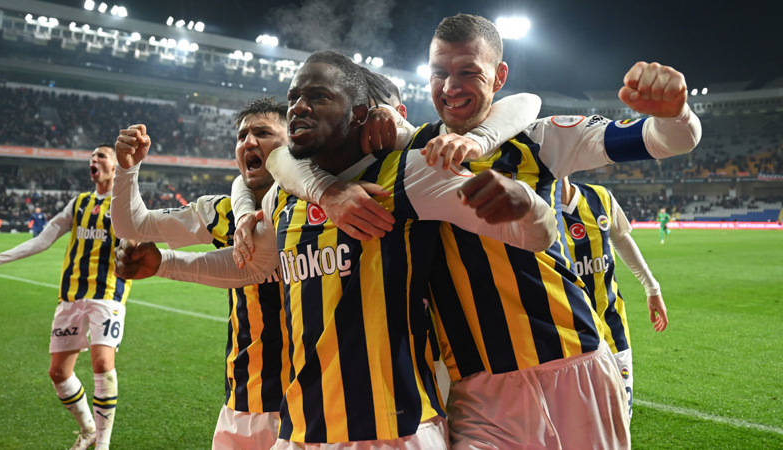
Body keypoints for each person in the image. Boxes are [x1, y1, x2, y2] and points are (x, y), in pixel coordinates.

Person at [257, 14, 702, 449]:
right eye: (439, 73)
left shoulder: (540, 140)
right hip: (479, 389)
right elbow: (284, 156)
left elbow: (665, 140)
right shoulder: (412, 148)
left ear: (499, 76)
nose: (451, 86)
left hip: (572, 362)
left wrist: (676, 114)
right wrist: (326, 190)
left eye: (468, 72)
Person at [116, 50, 554, 449]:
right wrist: (165, 262)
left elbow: (534, 236)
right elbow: (254, 266)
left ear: (361, 113)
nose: (298, 107)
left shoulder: (406, 174)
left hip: (394, 430)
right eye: (294, 97)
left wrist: (528, 205)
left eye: (318, 96)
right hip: (302, 430)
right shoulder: (284, 195)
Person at [111, 98, 291, 450]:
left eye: (263, 132)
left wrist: (164, 263)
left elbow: (256, 266)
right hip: (242, 399)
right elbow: (132, 225)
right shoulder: (221, 211)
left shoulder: (313, 211)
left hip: (306, 400)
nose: (248, 141)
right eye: (241, 136)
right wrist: (127, 170)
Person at [0, 144, 131, 450]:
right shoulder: (79, 203)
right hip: (71, 296)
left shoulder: (124, 205)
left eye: (101, 156)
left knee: (102, 363)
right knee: (59, 373)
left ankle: (102, 445)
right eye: (92, 156)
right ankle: (88, 429)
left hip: (107, 295)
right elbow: (43, 240)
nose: (94, 160)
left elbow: (139, 242)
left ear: (115, 166)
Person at [560, 177, 669, 420]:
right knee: (580, 422)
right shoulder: (534, 208)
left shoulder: (601, 198)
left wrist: (652, 287)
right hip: (566, 336)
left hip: (612, 325)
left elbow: (620, 238)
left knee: (621, 416)